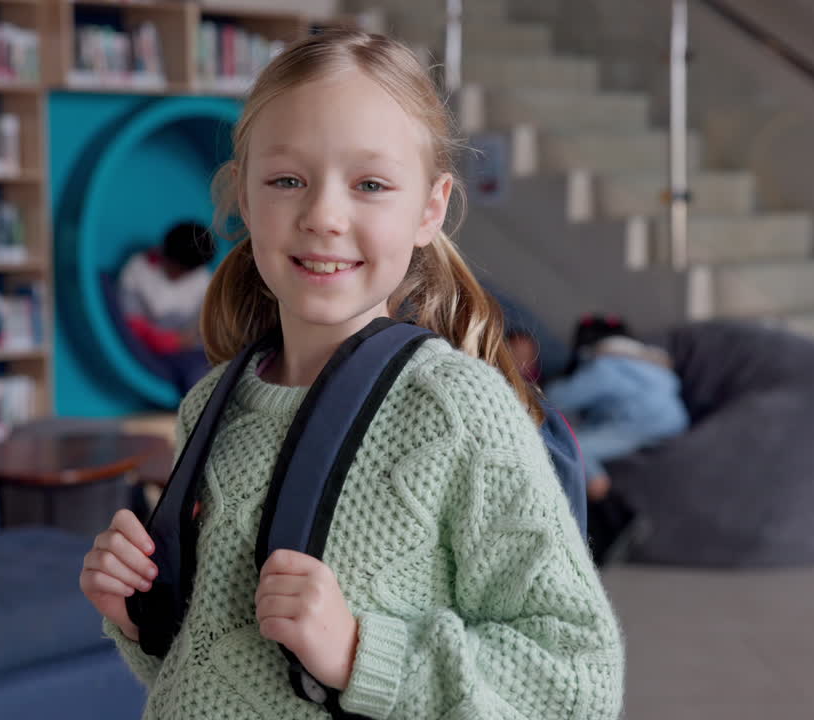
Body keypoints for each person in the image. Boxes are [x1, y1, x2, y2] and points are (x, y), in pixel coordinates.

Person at [80, 31, 623, 719]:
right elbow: (217, 663)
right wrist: (140, 618)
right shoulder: (210, 404)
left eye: (369, 184)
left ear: (430, 208)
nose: (323, 217)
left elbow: (579, 678)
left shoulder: (457, 408)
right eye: (286, 180)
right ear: (244, 196)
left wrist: (362, 651)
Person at [544, 314, 689, 565]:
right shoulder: (652, 363)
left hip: (639, 422)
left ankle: (616, 519)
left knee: (578, 448)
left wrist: (548, 383)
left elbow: (561, 398)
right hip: (671, 420)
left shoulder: (605, 367)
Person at [119, 221, 216, 391]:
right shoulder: (138, 271)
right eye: (179, 269)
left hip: (198, 347)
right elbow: (134, 326)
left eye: (188, 272)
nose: (182, 275)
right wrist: (173, 342)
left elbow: (207, 323)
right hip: (163, 348)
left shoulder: (202, 278)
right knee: (198, 375)